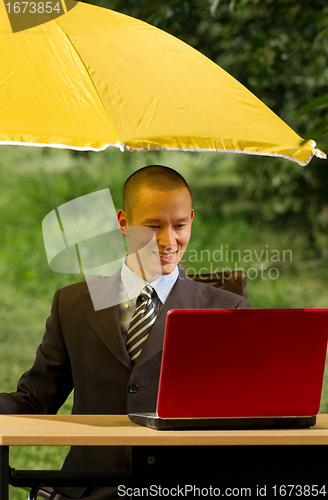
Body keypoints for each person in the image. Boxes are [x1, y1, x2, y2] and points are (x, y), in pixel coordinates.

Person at [0, 165, 250, 499]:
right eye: (152, 226)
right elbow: (35, 400)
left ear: (191, 219)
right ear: (123, 223)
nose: (168, 240)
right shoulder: (73, 304)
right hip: (86, 491)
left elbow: (245, 414)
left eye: (179, 226)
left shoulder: (227, 311)